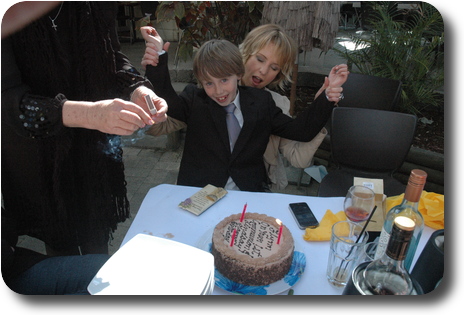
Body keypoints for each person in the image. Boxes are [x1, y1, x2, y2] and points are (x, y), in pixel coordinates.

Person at [1, 2, 167, 256]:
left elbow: (111, 56)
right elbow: (9, 103)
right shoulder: (9, 15)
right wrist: (91, 114)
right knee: (61, 249)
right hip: (40, 155)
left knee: (96, 238)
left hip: (91, 154)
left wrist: (137, 89)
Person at [140, 25, 348, 190]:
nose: (264, 70)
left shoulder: (265, 102)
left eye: (274, 67)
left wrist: (326, 98)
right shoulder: (199, 96)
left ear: (237, 73)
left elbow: (300, 133)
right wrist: (157, 59)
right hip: (199, 193)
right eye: (260, 59)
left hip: (247, 193)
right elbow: (169, 108)